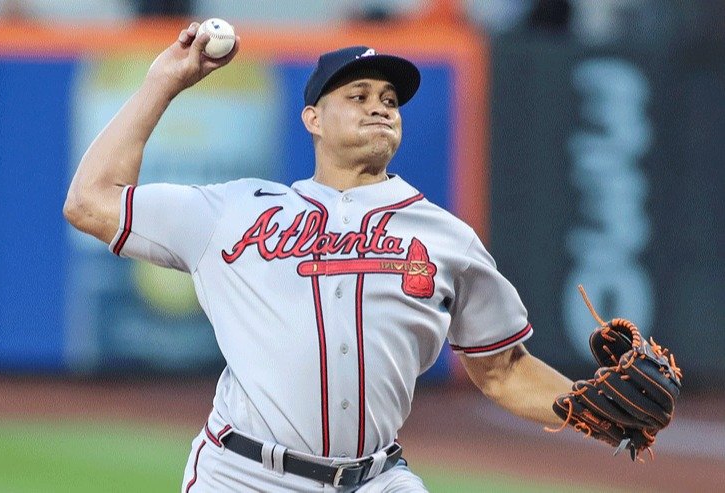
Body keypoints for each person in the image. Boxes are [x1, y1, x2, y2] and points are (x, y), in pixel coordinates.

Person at [64, 22, 574, 492]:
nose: (380, 107)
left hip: (376, 478)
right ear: (313, 119)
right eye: (358, 96)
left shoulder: (446, 237)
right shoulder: (234, 210)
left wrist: (587, 407)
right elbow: (90, 201)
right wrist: (162, 83)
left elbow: (504, 370)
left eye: (390, 99)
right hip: (245, 474)